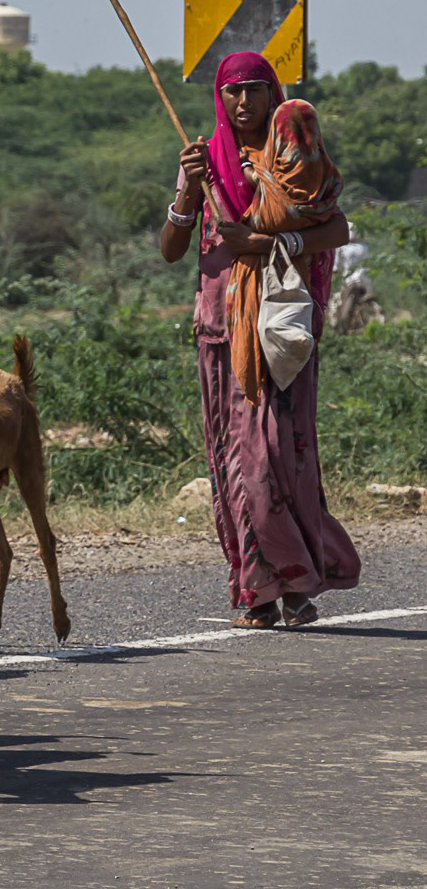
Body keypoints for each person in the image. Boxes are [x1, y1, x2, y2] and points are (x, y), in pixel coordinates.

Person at [159, 51, 360, 629]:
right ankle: (257, 591)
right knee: (232, 463)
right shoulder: (203, 161)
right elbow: (173, 248)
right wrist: (188, 194)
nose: (243, 102)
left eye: (254, 90)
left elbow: (336, 226)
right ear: (218, 99)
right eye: (232, 92)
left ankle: (298, 583)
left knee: (278, 457)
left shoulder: (290, 154)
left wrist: (269, 244)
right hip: (220, 331)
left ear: (274, 94)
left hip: (280, 331)